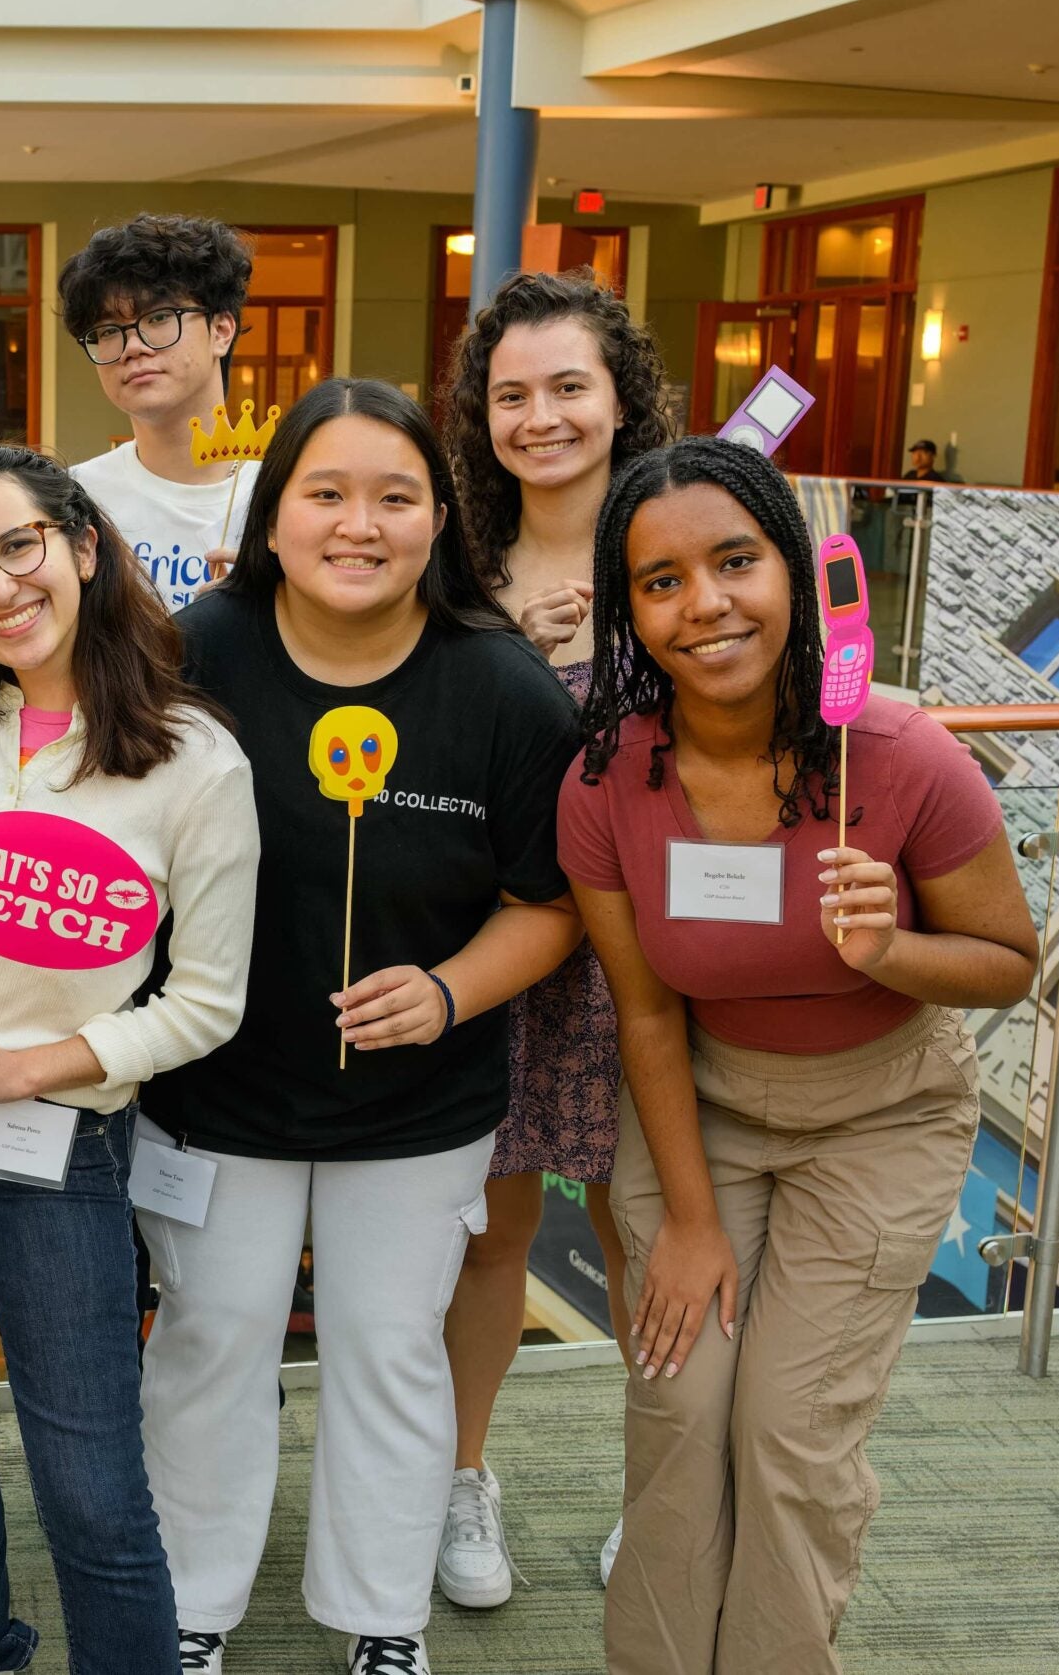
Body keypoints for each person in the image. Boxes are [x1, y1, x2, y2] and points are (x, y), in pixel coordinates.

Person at [565, 438, 1038, 1674]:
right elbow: (647, 1015)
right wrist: (683, 1217)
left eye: (734, 562)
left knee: (786, 1430)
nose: (705, 604)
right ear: (630, 614)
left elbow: (1005, 961)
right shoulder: (609, 776)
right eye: (660, 582)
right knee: (681, 1407)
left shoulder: (900, 755)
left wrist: (890, 948)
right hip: (699, 1113)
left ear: (794, 568)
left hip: (879, 1118)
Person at [139, 380, 580, 1675]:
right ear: (273, 513)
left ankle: (382, 1614)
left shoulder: (500, 686)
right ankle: (192, 1601)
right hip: (216, 1091)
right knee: (211, 1337)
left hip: (422, 1105)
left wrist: (448, 988)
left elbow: (544, 902)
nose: (359, 523)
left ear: (440, 518)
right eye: (325, 492)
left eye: (396, 496)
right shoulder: (188, 653)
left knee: (391, 1350)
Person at [0, 444, 258, 1675]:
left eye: (15, 547)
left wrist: (41, 1065)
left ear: (80, 547)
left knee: (88, 1480)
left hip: (58, 1140)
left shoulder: (193, 759)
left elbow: (208, 1004)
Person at [435, 267, 668, 1602]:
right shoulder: (459, 561)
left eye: (568, 386)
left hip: (653, 948)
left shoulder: (678, 533)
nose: (541, 417)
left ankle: (665, 1487)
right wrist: (504, 651)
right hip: (507, 939)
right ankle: (466, 1482)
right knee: (490, 1233)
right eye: (511, 393)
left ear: (620, 392)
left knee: (647, 1225)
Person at [58, 213, 260, 609]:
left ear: (221, 330)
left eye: (160, 318)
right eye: (108, 331)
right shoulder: (73, 498)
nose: (133, 346)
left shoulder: (286, 496)